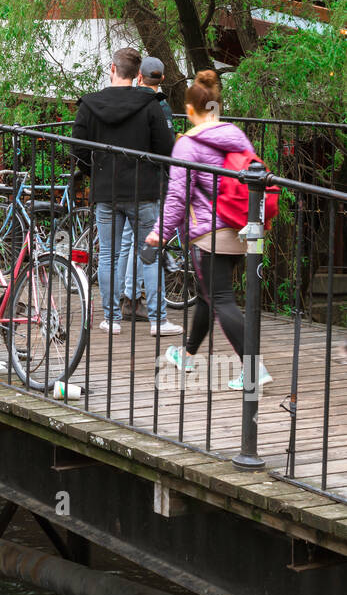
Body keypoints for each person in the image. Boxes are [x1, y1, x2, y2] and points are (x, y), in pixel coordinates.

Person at [144, 69, 272, 390]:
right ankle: (187, 354)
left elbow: (177, 196)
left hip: (209, 233)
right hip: (241, 227)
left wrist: (160, 231)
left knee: (221, 299)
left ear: (190, 110)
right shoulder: (236, 137)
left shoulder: (188, 145)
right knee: (208, 295)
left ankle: (253, 367)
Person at [72, 46, 181, 335]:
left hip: (105, 191)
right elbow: (166, 149)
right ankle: (158, 322)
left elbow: (78, 149)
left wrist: (94, 173)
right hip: (143, 191)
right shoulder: (151, 105)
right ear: (137, 75)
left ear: (112, 69)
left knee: (108, 255)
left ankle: (111, 319)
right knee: (151, 253)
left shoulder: (90, 104)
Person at [117, 56, 176, 322]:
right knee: (143, 242)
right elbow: (166, 145)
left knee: (127, 243)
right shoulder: (159, 106)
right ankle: (136, 301)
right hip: (150, 182)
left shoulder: (126, 99)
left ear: (139, 76)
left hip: (124, 178)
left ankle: (125, 298)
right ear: (162, 79)